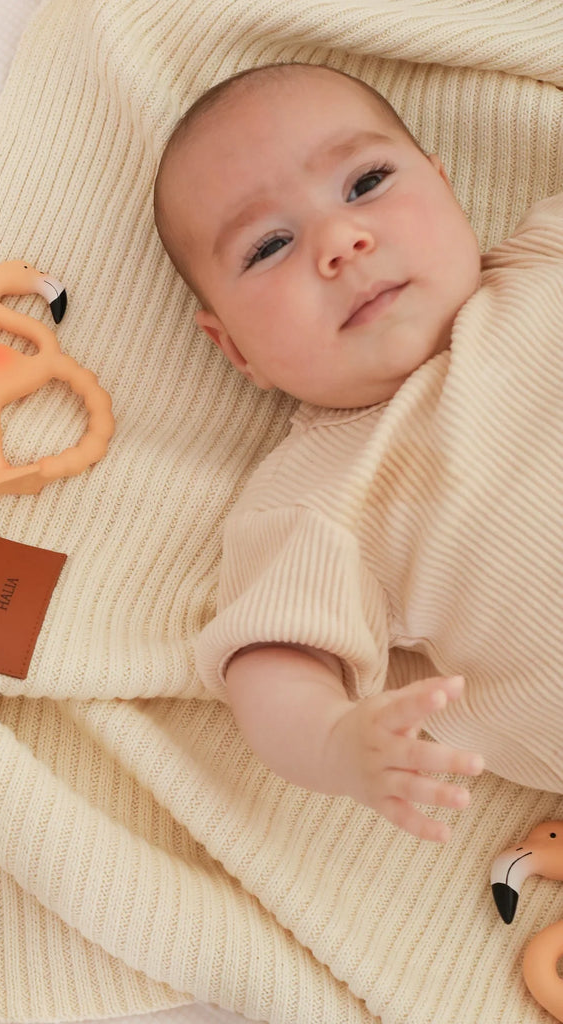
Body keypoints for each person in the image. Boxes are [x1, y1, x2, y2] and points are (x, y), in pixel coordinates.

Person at [153, 61, 563, 841]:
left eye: (366, 181)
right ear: (233, 348)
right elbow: (271, 664)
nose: (340, 240)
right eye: (269, 245)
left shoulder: (547, 262)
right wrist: (337, 743)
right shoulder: (320, 493)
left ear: (446, 189)